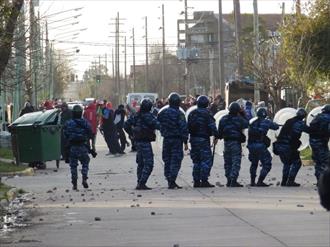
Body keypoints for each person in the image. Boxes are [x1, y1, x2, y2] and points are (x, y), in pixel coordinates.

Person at [124, 99, 160, 190]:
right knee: (149, 163)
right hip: (145, 142)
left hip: (138, 142)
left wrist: (131, 134)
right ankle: (142, 183)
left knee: (141, 163)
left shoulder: (136, 115)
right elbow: (158, 125)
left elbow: (126, 125)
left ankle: (139, 182)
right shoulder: (149, 116)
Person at [158, 92, 189, 189]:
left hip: (166, 139)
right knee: (176, 160)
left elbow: (158, 123)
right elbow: (183, 128)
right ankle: (172, 180)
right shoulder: (179, 114)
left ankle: (169, 179)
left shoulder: (163, 112)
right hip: (176, 140)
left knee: (167, 160)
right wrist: (185, 141)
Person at [188, 95, 219, 188]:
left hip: (193, 139)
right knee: (205, 160)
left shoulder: (192, 113)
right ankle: (204, 180)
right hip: (203, 140)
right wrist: (216, 135)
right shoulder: (207, 113)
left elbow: (188, 126)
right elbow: (212, 126)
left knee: (196, 161)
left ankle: (196, 181)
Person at [273, 108, 310, 187]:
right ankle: (290, 181)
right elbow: (309, 130)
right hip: (288, 146)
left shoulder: (289, 121)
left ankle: (284, 181)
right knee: (297, 162)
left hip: (279, 145)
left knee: (287, 163)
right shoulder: (300, 123)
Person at [218, 102, 249, 187]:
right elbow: (247, 123)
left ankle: (228, 179)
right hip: (235, 143)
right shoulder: (239, 119)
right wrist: (243, 114)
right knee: (236, 161)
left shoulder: (223, 119)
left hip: (226, 142)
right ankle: (233, 180)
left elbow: (219, 132)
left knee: (228, 162)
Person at [64, 105, 93, 190]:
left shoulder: (68, 123)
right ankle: (84, 178)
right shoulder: (85, 122)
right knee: (85, 162)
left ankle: (74, 184)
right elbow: (90, 132)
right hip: (83, 146)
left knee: (73, 166)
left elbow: (65, 134)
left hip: (72, 147)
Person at [247, 107, 279, 186]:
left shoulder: (252, 122)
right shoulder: (266, 122)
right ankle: (260, 181)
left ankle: (252, 181)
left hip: (251, 145)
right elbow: (276, 127)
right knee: (267, 164)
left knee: (254, 163)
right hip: (260, 146)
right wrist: (270, 121)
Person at [309, 104, 330, 182]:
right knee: (325, 162)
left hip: (313, 142)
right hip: (321, 143)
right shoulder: (328, 118)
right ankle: (324, 182)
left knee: (318, 162)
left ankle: (319, 181)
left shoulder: (317, 117)